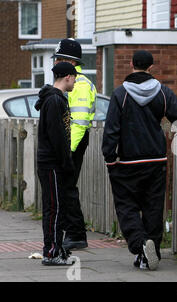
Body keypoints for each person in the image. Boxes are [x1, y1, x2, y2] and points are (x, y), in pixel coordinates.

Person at [102, 50, 177, 270]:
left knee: (127, 207)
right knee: (153, 207)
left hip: (127, 162)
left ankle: (140, 244)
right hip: (156, 160)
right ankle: (148, 254)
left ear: (132, 65)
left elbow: (112, 129)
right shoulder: (162, 93)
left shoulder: (120, 94)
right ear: (151, 68)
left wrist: (109, 157)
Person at [52, 38, 97, 250]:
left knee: (67, 186)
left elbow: (78, 122)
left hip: (73, 142)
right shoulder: (73, 80)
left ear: (68, 61)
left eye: (58, 59)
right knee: (65, 186)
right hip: (69, 141)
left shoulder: (78, 84)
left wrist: (68, 151)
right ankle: (73, 232)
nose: (54, 64)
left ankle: (77, 234)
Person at [35, 62, 78, 265]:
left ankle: (56, 249)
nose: (76, 81)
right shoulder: (54, 101)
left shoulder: (56, 98)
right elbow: (57, 135)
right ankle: (51, 252)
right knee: (54, 208)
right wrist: (66, 162)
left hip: (54, 163)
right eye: (75, 77)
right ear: (67, 77)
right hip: (51, 163)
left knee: (57, 207)